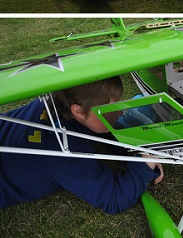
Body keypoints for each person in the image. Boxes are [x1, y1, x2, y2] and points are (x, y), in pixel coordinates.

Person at [0, 77, 164, 214]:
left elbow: (100, 129)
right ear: (78, 111)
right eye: (111, 108)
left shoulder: (59, 96)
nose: (120, 112)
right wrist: (144, 165)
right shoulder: (66, 155)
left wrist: (133, 152)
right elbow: (114, 199)